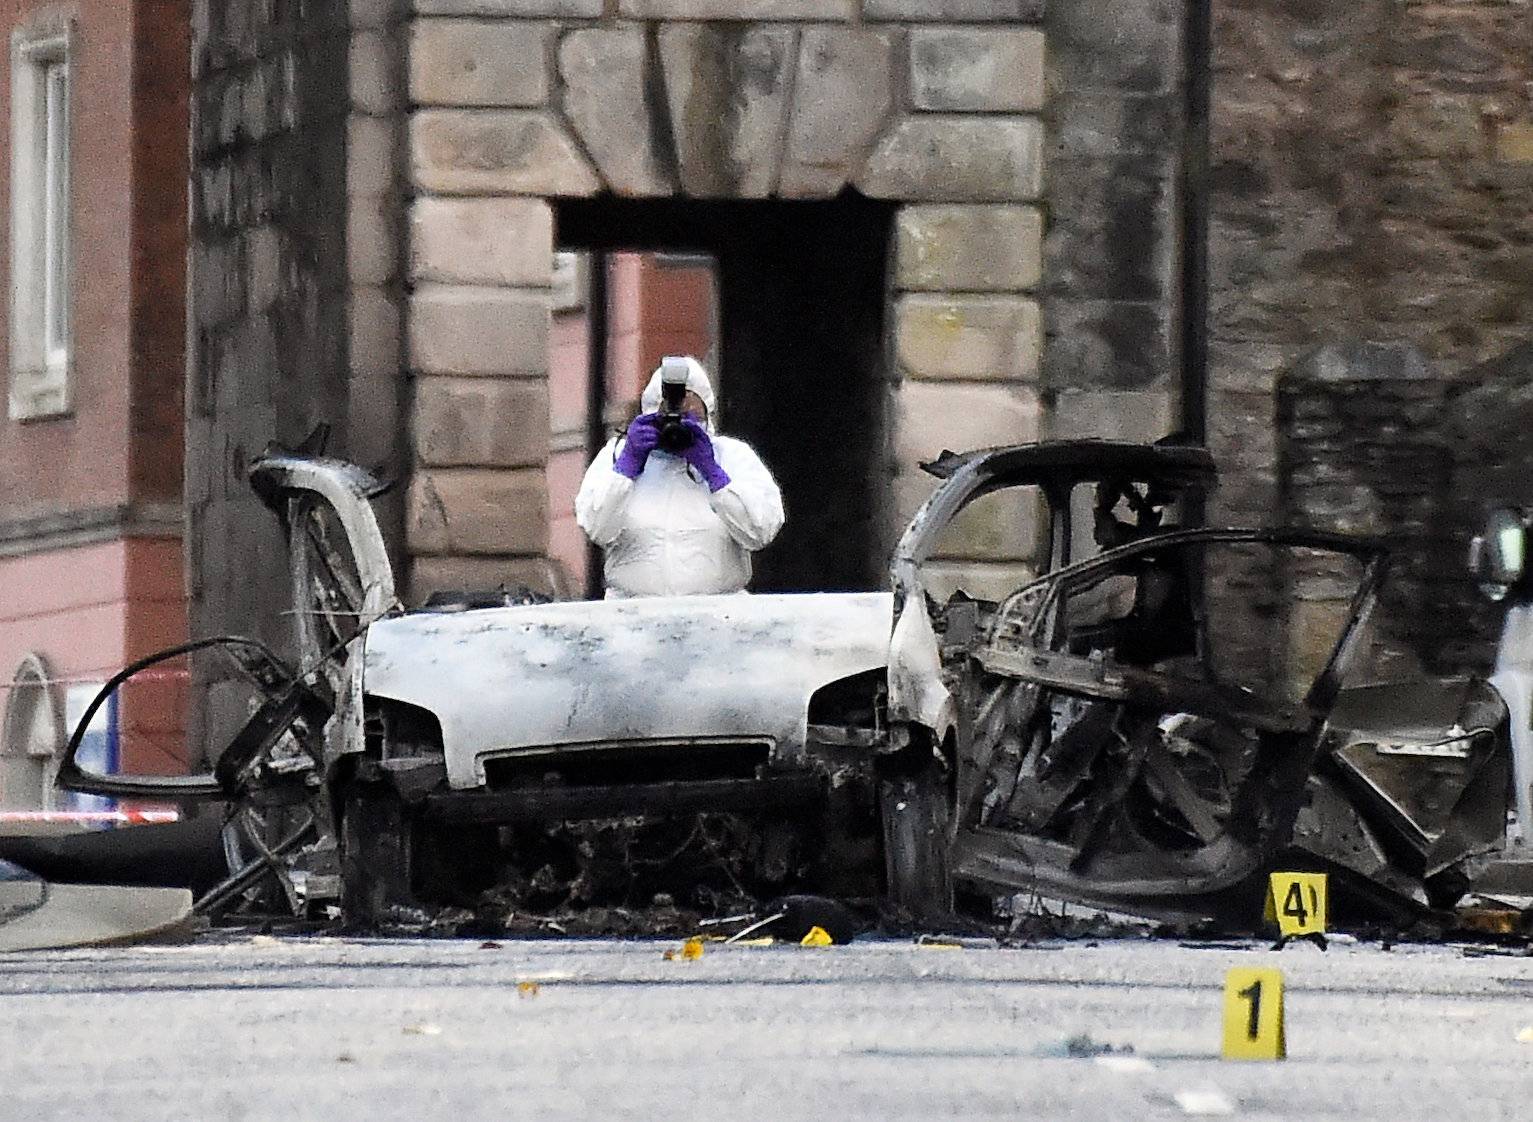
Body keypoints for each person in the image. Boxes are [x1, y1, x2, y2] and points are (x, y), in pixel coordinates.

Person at [575, 357, 785, 599]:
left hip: (718, 618)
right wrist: (626, 469)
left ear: (708, 414)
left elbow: (761, 531)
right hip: (634, 617)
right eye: (668, 416)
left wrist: (714, 475)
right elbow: (596, 527)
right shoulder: (616, 455)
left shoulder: (733, 457)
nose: (677, 425)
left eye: (691, 416)